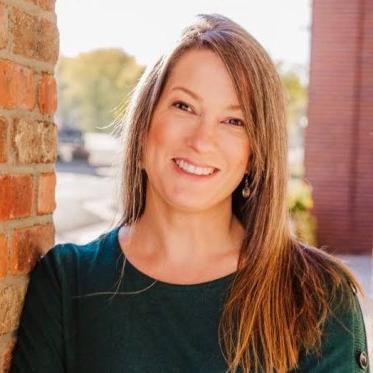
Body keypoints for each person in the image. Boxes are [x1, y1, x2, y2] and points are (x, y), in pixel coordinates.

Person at [10, 13, 370, 373]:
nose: (200, 141)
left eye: (234, 121)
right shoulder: (67, 282)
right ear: (145, 121)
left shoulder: (317, 296)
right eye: (184, 106)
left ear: (255, 154)